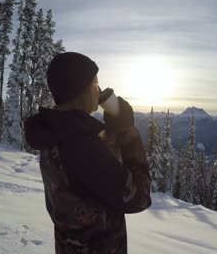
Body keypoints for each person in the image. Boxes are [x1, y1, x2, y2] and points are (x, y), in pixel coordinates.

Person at [24, 52, 152, 253]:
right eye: (95, 82)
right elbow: (139, 197)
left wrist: (111, 134)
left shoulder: (57, 134)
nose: (99, 90)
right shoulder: (79, 145)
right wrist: (128, 133)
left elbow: (92, 181)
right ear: (80, 89)